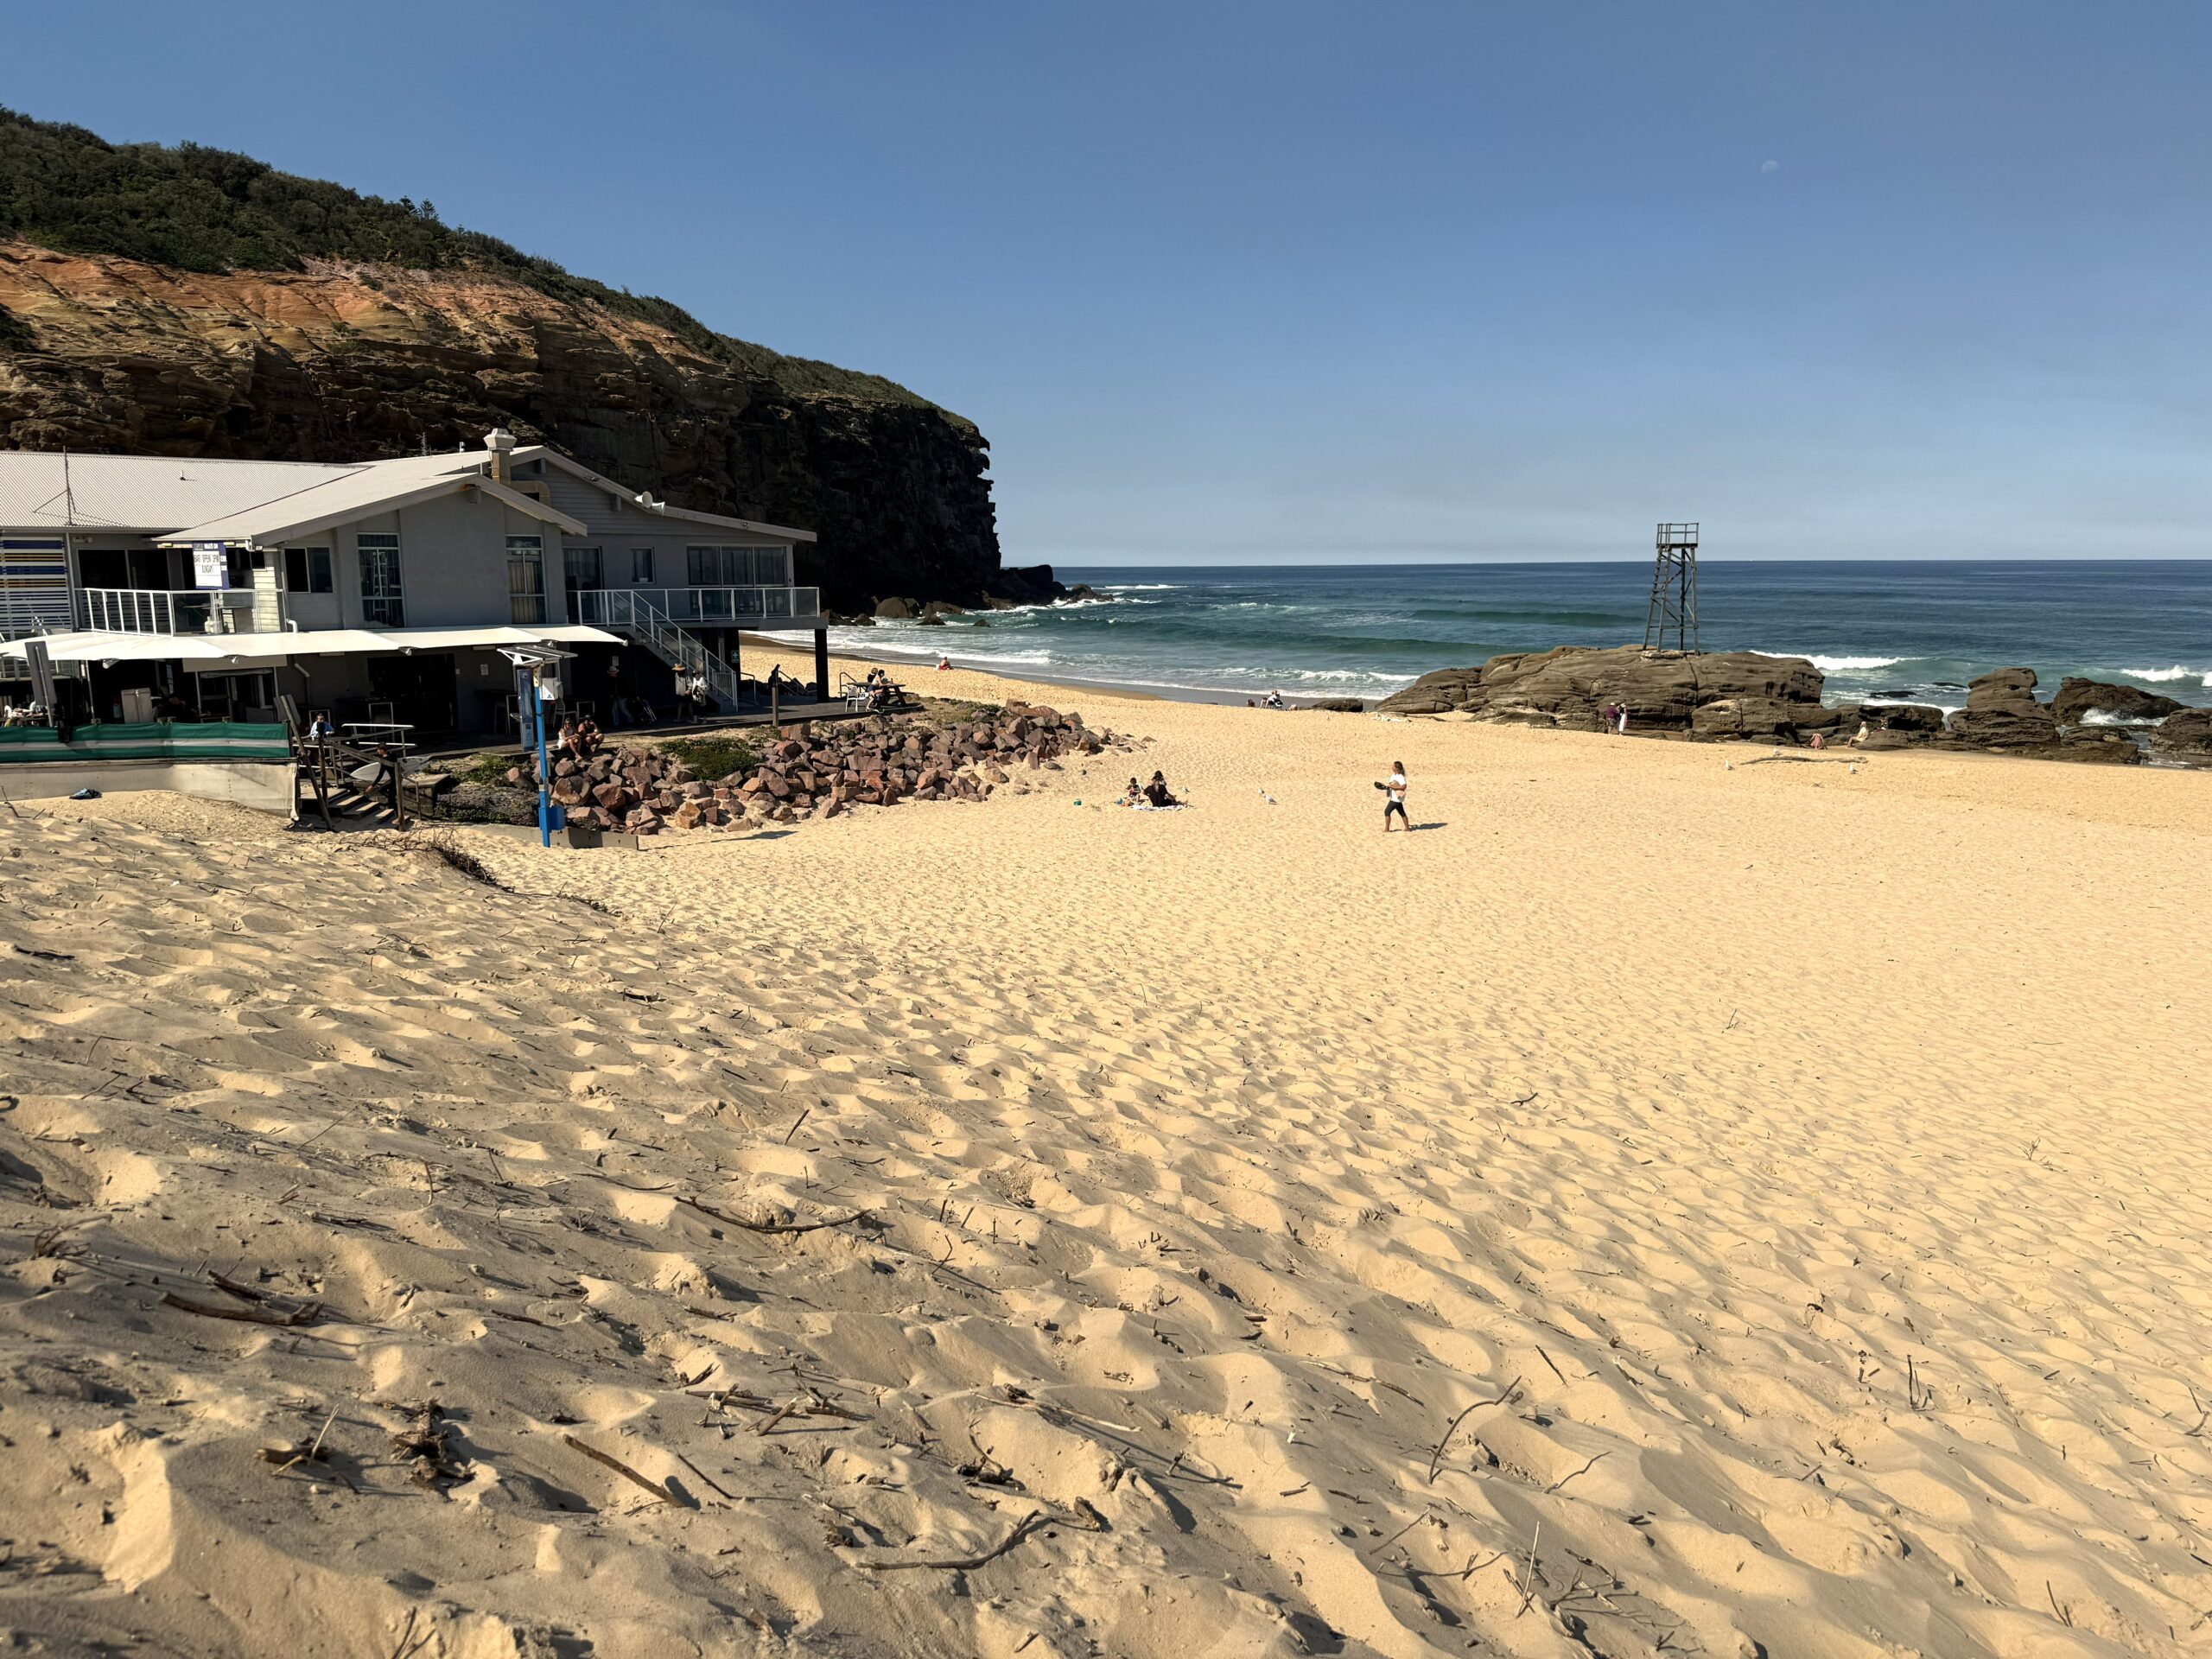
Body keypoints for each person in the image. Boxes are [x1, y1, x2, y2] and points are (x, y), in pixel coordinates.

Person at [1375, 760, 1408, 831]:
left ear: (1397, 768)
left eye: (1393, 766)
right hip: (1395, 797)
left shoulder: (1400, 777)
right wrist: (1385, 787)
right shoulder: (1394, 775)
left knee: (1387, 811)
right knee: (1402, 812)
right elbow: (1391, 785)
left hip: (1396, 798)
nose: (1392, 767)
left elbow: (1404, 786)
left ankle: (1387, 829)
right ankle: (1407, 828)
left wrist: (1394, 787)